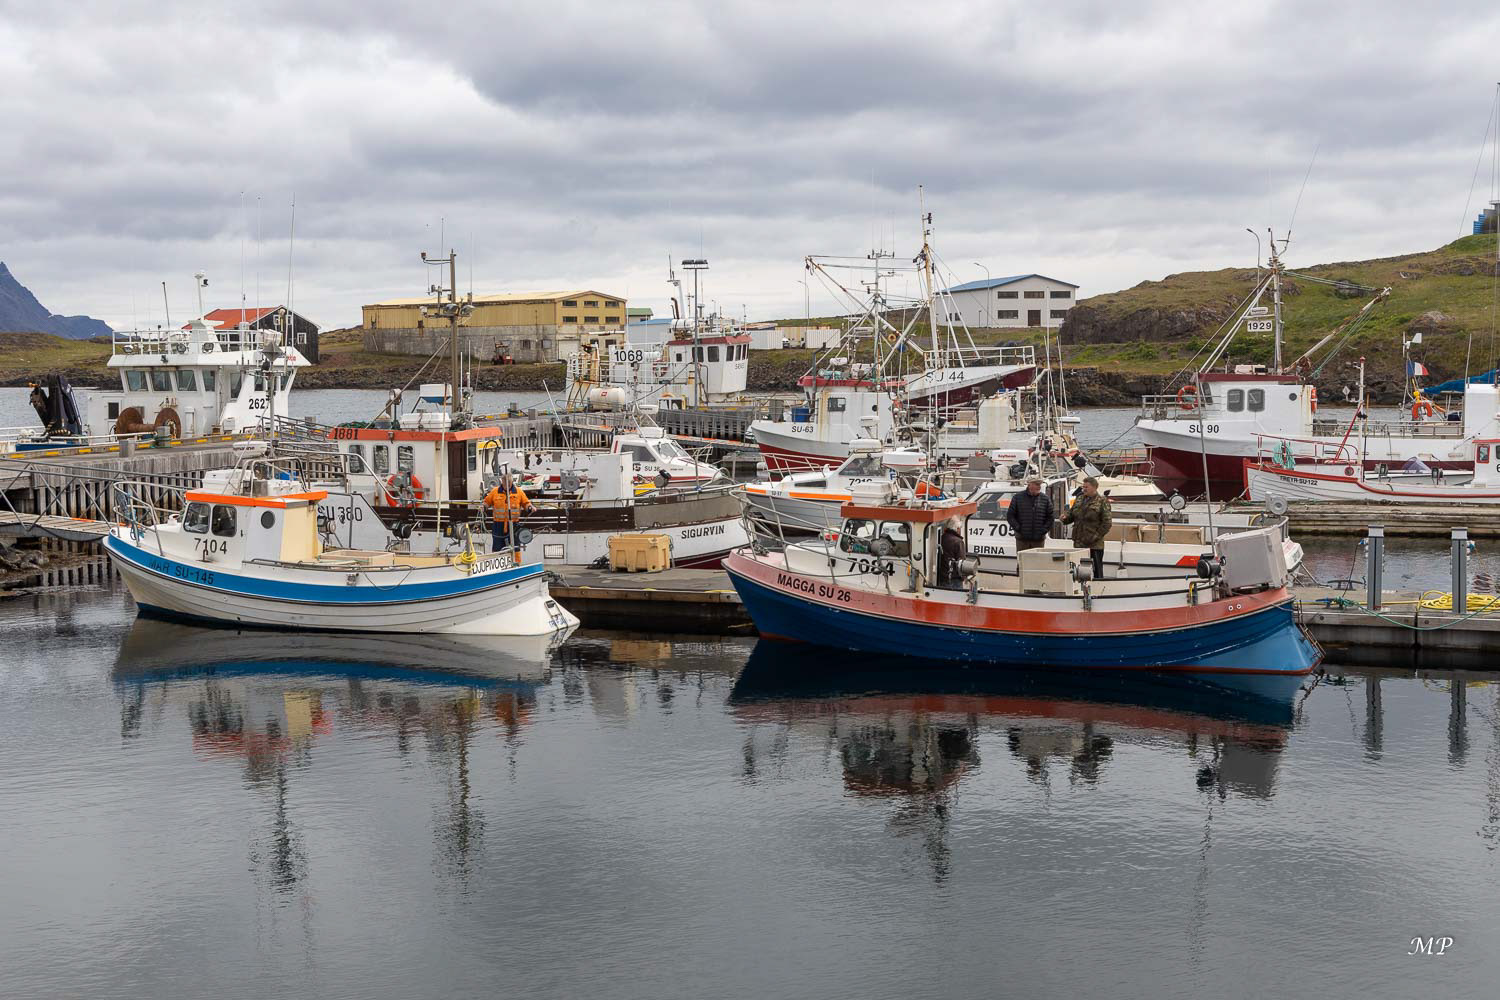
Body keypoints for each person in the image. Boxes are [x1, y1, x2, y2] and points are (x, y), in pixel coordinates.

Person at [1062, 476, 1112, 579]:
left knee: (1096, 570)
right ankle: (1080, 591)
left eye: (1086, 487)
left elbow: (1107, 523)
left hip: (1094, 544)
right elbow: (1072, 515)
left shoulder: (1102, 501)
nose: (1084, 489)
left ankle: (1098, 590)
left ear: (1094, 487)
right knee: (1079, 570)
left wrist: (1095, 536)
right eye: (1083, 486)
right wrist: (1065, 518)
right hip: (1079, 542)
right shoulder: (1079, 498)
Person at [482, 473, 533, 552]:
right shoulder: (495, 491)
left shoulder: (518, 492)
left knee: (515, 548)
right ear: (502, 481)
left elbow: (526, 503)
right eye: (505, 483)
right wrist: (483, 507)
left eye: (509, 482)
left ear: (512, 481)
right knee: (497, 548)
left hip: (514, 525)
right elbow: (487, 502)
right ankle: (497, 563)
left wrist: (530, 507)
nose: (507, 485)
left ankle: (516, 563)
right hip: (498, 525)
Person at [1006, 476, 1054, 552]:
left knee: (1037, 562)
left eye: (1039, 484)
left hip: (1038, 540)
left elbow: (1050, 517)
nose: (1039, 486)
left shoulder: (1045, 499)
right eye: (1037, 484)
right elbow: (1010, 516)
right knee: (1022, 562)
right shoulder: (1017, 497)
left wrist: (1043, 530)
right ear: (1029, 485)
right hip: (1022, 540)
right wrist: (1019, 528)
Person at [938, 516, 967, 588]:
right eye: (959, 528)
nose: (960, 530)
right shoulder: (958, 542)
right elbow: (961, 562)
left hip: (943, 577)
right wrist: (964, 577)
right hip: (954, 579)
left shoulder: (941, 538)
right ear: (957, 529)